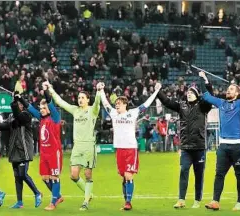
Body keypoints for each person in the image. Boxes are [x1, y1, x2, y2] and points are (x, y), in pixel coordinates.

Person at [203, 71, 240, 211]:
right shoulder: (221, 103)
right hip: (223, 146)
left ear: (236, 93)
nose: (229, 90)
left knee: (239, 174)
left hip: (237, 146)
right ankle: (215, 201)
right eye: (228, 88)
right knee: (219, 174)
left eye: (232, 89)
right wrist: (203, 79)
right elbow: (206, 95)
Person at [99, 82, 160, 210]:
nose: (116, 106)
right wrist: (100, 90)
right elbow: (105, 104)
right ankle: (126, 199)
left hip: (131, 148)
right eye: (115, 104)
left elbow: (146, 104)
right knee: (123, 176)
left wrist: (156, 91)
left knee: (128, 175)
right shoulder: (114, 114)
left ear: (125, 105)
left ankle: (128, 202)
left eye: (118, 104)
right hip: (119, 149)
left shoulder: (133, 113)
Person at [157, 72, 213, 209]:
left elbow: (210, 96)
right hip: (186, 147)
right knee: (184, 171)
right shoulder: (181, 106)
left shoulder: (203, 106)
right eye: (188, 92)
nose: (189, 94)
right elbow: (167, 102)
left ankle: (197, 200)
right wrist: (158, 91)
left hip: (199, 147)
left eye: (192, 92)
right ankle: (181, 199)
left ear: (197, 95)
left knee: (199, 175)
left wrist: (204, 80)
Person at [48, 81, 102, 211]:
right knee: (73, 175)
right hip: (77, 147)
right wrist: (51, 89)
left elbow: (97, 103)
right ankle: (89, 194)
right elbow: (61, 102)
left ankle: (85, 201)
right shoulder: (75, 110)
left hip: (89, 146)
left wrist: (99, 91)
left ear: (88, 100)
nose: (80, 100)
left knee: (88, 175)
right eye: (79, 98)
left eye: (83, 98)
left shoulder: (92, 110)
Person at [0, 92, 42, 209]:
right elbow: (2, 126)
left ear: (21, 106)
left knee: (23, 174)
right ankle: (19, 202)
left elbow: (18, 116)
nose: (15, 105)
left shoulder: (26, 115)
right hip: (14, 149)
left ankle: (37, 193)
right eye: (15, 104)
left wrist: (15, 102)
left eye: (17, 104)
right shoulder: (11, 117)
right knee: (17, 176)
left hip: (24, 149)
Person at [27, 81, 64, 210]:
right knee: (44, 177)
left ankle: (53, 202)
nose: (42, 110)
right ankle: (58, 196)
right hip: (44, 154)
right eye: (41, 109)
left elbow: (49, 101)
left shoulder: (55, 117)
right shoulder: (41, 118)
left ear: (49, 108)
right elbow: (31, 109)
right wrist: (20, 98)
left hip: (54, 153)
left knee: (54, 177)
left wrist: (46, 90)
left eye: (44, 108)